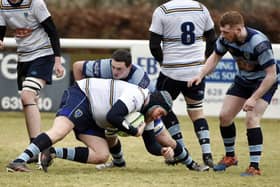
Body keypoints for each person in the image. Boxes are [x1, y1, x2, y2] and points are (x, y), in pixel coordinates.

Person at [6, 77, 208, 173]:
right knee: (60, 130)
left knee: (101, 155)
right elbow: (114, 115)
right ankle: (19, 160)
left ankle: (51, 153)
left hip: (94, 117)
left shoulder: (146, 115)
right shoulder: (137, 96)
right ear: (155, 104)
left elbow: (151, 145)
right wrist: (132, 131)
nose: (158, 117)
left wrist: (164, 151)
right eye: (161, 113)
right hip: (83, 96)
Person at [70, 49, 208, 171]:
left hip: (145, 111)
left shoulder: (140, 79)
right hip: (113, 109)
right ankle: (119, 162)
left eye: (119, 69)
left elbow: (154, 106)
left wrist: (144, 128)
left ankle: (192, 164)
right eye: (113, 67)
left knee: (165, 139)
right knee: (109, 133)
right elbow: (77, 67)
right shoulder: (104, 66)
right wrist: (84, 99)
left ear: (129, 67)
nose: (115, 72)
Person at [188, 11, 279, 176]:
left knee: (252, 119)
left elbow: (271, 75)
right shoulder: (225, 39)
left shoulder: (259, 43)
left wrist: (253, 98)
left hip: (264, 82)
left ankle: (254, 167)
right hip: (243, 80)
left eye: (225, 32)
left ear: (238, 29)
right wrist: (200, 75)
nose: (221, 35)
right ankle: (230, 157)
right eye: (221, 31)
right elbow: (214, 58)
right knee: (225, 117)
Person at [149, 0, 217, 167]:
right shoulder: (201, 8)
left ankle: (181, 152)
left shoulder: (162, 10)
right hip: (195, 72)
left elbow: (154, 45)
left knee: (163, 110)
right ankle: (207, 153)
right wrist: (204, 62)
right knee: (197, 111)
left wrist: (163, 62)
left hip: (171, 72)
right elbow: (212, 39)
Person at [0, 0, 64, 163]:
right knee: (29, 100)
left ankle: (34, 147)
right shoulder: (2, 4)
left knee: (27, 96)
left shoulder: (35, 3)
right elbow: (1, 30)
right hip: (23, 57)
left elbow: (52, 30)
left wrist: (57, 60)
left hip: (43, 55)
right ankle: (40, 149)